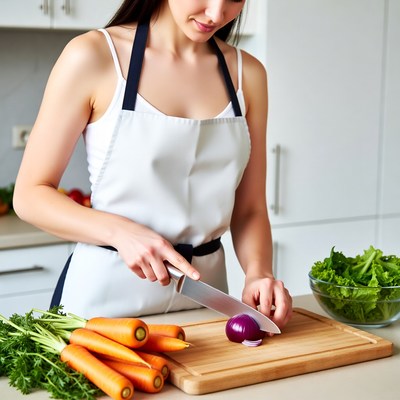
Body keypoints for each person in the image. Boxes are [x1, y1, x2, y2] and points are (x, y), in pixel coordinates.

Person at [13, 0, 292, 330]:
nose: (217, 14)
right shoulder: (94, 56)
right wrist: (121, 232)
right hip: (103, 308)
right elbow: (30, 196)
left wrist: (259, 272)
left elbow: (249, 210)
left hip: (207, 302)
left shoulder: (248, 74)